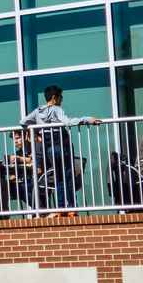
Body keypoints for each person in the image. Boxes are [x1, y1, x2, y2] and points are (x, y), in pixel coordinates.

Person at [19, 85, 102, 216]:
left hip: (49, 149)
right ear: (54, 98)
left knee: (58, 178)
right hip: (61, 146)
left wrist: (36, 132)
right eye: (61, 97)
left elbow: (23, 122)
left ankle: (61, 208)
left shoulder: (38, 111)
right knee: (68, 176)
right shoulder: (56, 109)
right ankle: (72, 208)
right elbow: (67, 122)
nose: (62, 100)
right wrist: (87, 119)